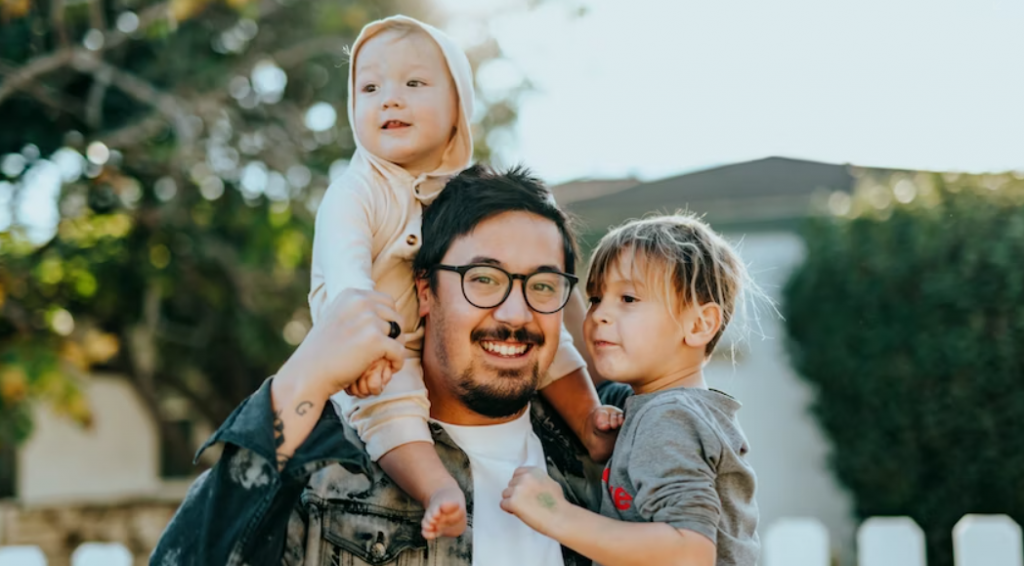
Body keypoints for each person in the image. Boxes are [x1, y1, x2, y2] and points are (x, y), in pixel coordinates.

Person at [150, 165, 615, 566]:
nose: (516, 314)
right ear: (425, 290)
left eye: (542, 285)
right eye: (484, 280)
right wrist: (304, 374)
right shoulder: (327, 469)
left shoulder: (614, 455)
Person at [308, 15, 616, 540]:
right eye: (371, 87)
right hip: (375, 346)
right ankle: (437, 488)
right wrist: (365, 349)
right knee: (391, 409)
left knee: (551, 337)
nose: (390, 100)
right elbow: (347, 279)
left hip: (416, 337)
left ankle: (590, 421)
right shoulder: (357, 191)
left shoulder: (465, 196)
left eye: (413, 84)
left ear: (459, 110)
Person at [501, 214, 762, 566]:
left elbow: (690, 552)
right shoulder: (653, 407)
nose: (599, 316)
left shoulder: (669, 418)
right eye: (595, 298)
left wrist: (554, 514)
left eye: (628, 298)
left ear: (699, 324)